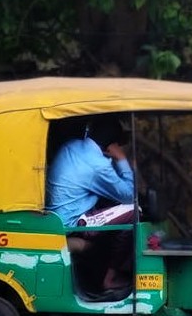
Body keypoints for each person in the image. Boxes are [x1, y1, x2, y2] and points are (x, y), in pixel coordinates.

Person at [46, 114, 135, 296]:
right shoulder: (98, 165)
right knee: (134, 211)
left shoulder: (70, 146)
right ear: (111, 146)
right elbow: (129, 196)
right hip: (72, 224)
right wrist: (121, 159)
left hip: (54, 219)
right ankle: (109, 278)